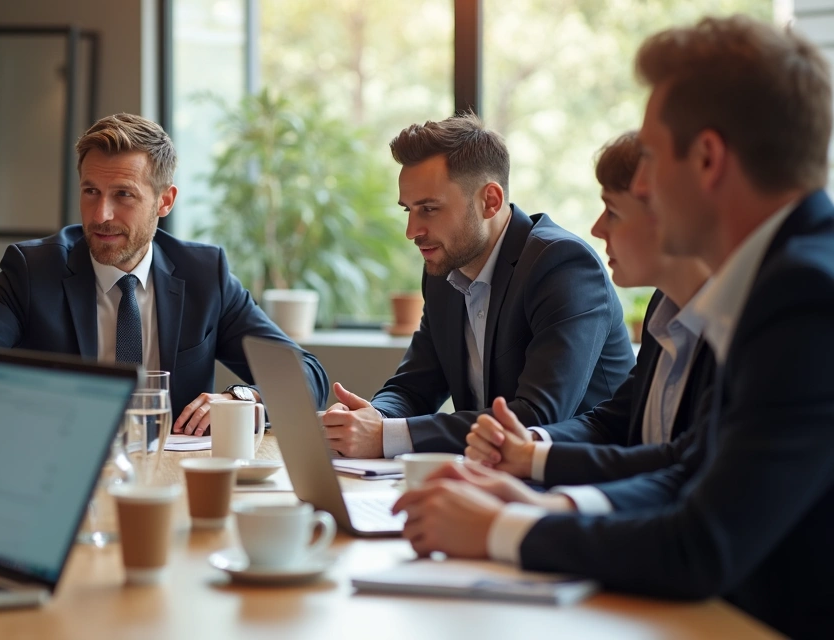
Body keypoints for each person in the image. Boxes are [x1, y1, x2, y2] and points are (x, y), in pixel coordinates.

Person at [392, 16, 834, 638]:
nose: (642, 184)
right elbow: (691, 469)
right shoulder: (772, 280)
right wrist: (549, 502)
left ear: (708, 159)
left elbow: (701, 544)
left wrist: (502, 529)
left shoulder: (805, 296)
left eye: (650, 156)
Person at [0, 113, 329, 435]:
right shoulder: (34, 270)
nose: (101, 214)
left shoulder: (205, 275)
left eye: (123, 195)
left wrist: (243, 398)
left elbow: (307, 375)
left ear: (165, 201)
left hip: (173, 475)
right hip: (59, 467)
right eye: (91, 191)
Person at [322, 114, 635, 458]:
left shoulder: (562, 265)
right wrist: (372, 417)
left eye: (429, 209)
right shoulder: (445, 272)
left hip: (587, 474)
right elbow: (413, 388)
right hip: (494, 474)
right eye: (408, 210)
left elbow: (537, 417)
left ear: (490, 201)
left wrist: (387, 435)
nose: (411, 231)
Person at [459, 132, 714, 499]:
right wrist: (528, 445)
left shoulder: (737, 323)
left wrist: (535, 476)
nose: (596, 229)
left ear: (667, 216)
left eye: (613, 211)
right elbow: (612, 421)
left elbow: (683, 465)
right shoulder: (664, 306)